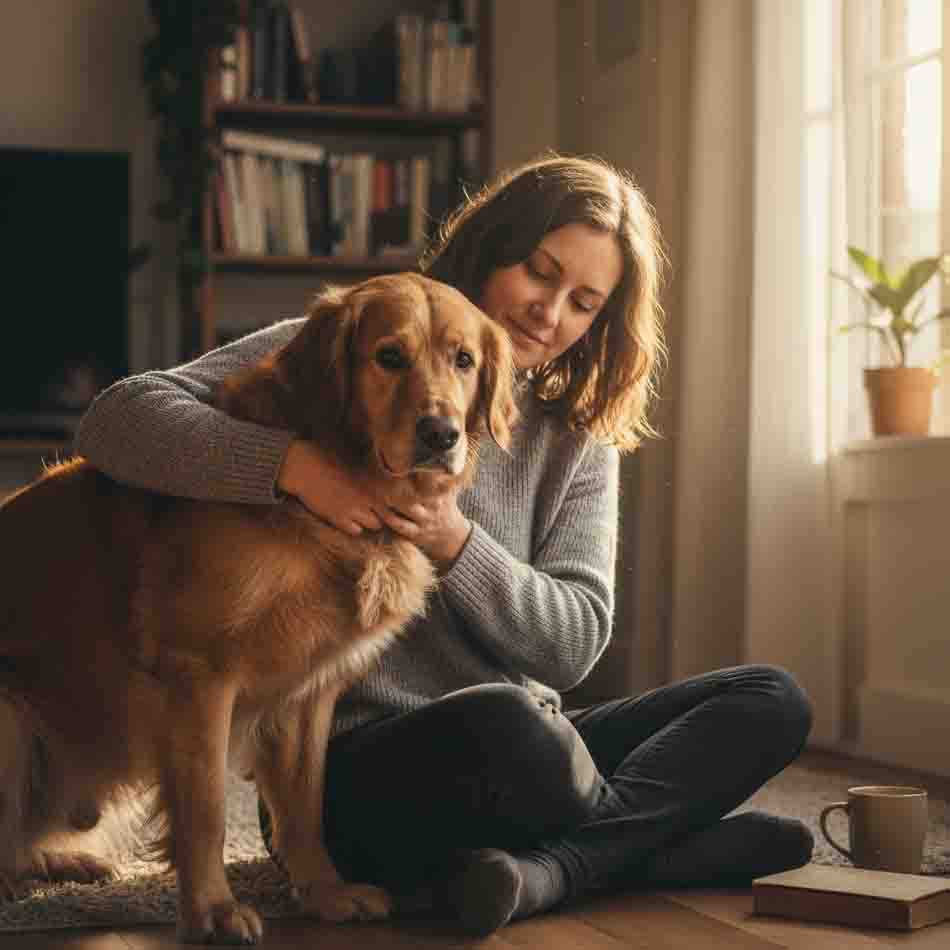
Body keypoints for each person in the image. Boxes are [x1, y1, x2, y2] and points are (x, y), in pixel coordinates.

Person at [75, 154, 813, 935]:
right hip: (359, 771)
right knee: (523, 736)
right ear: (496, 245)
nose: (548, 312)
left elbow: (572, 645)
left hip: (523, 751)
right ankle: (646, 845)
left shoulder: (577, 440)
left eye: (584, 303)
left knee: (769, 699)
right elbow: (118, 418)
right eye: (540, 271)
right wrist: (291, 468)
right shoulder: (349, 345)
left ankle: (550, 871)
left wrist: (453, 539)